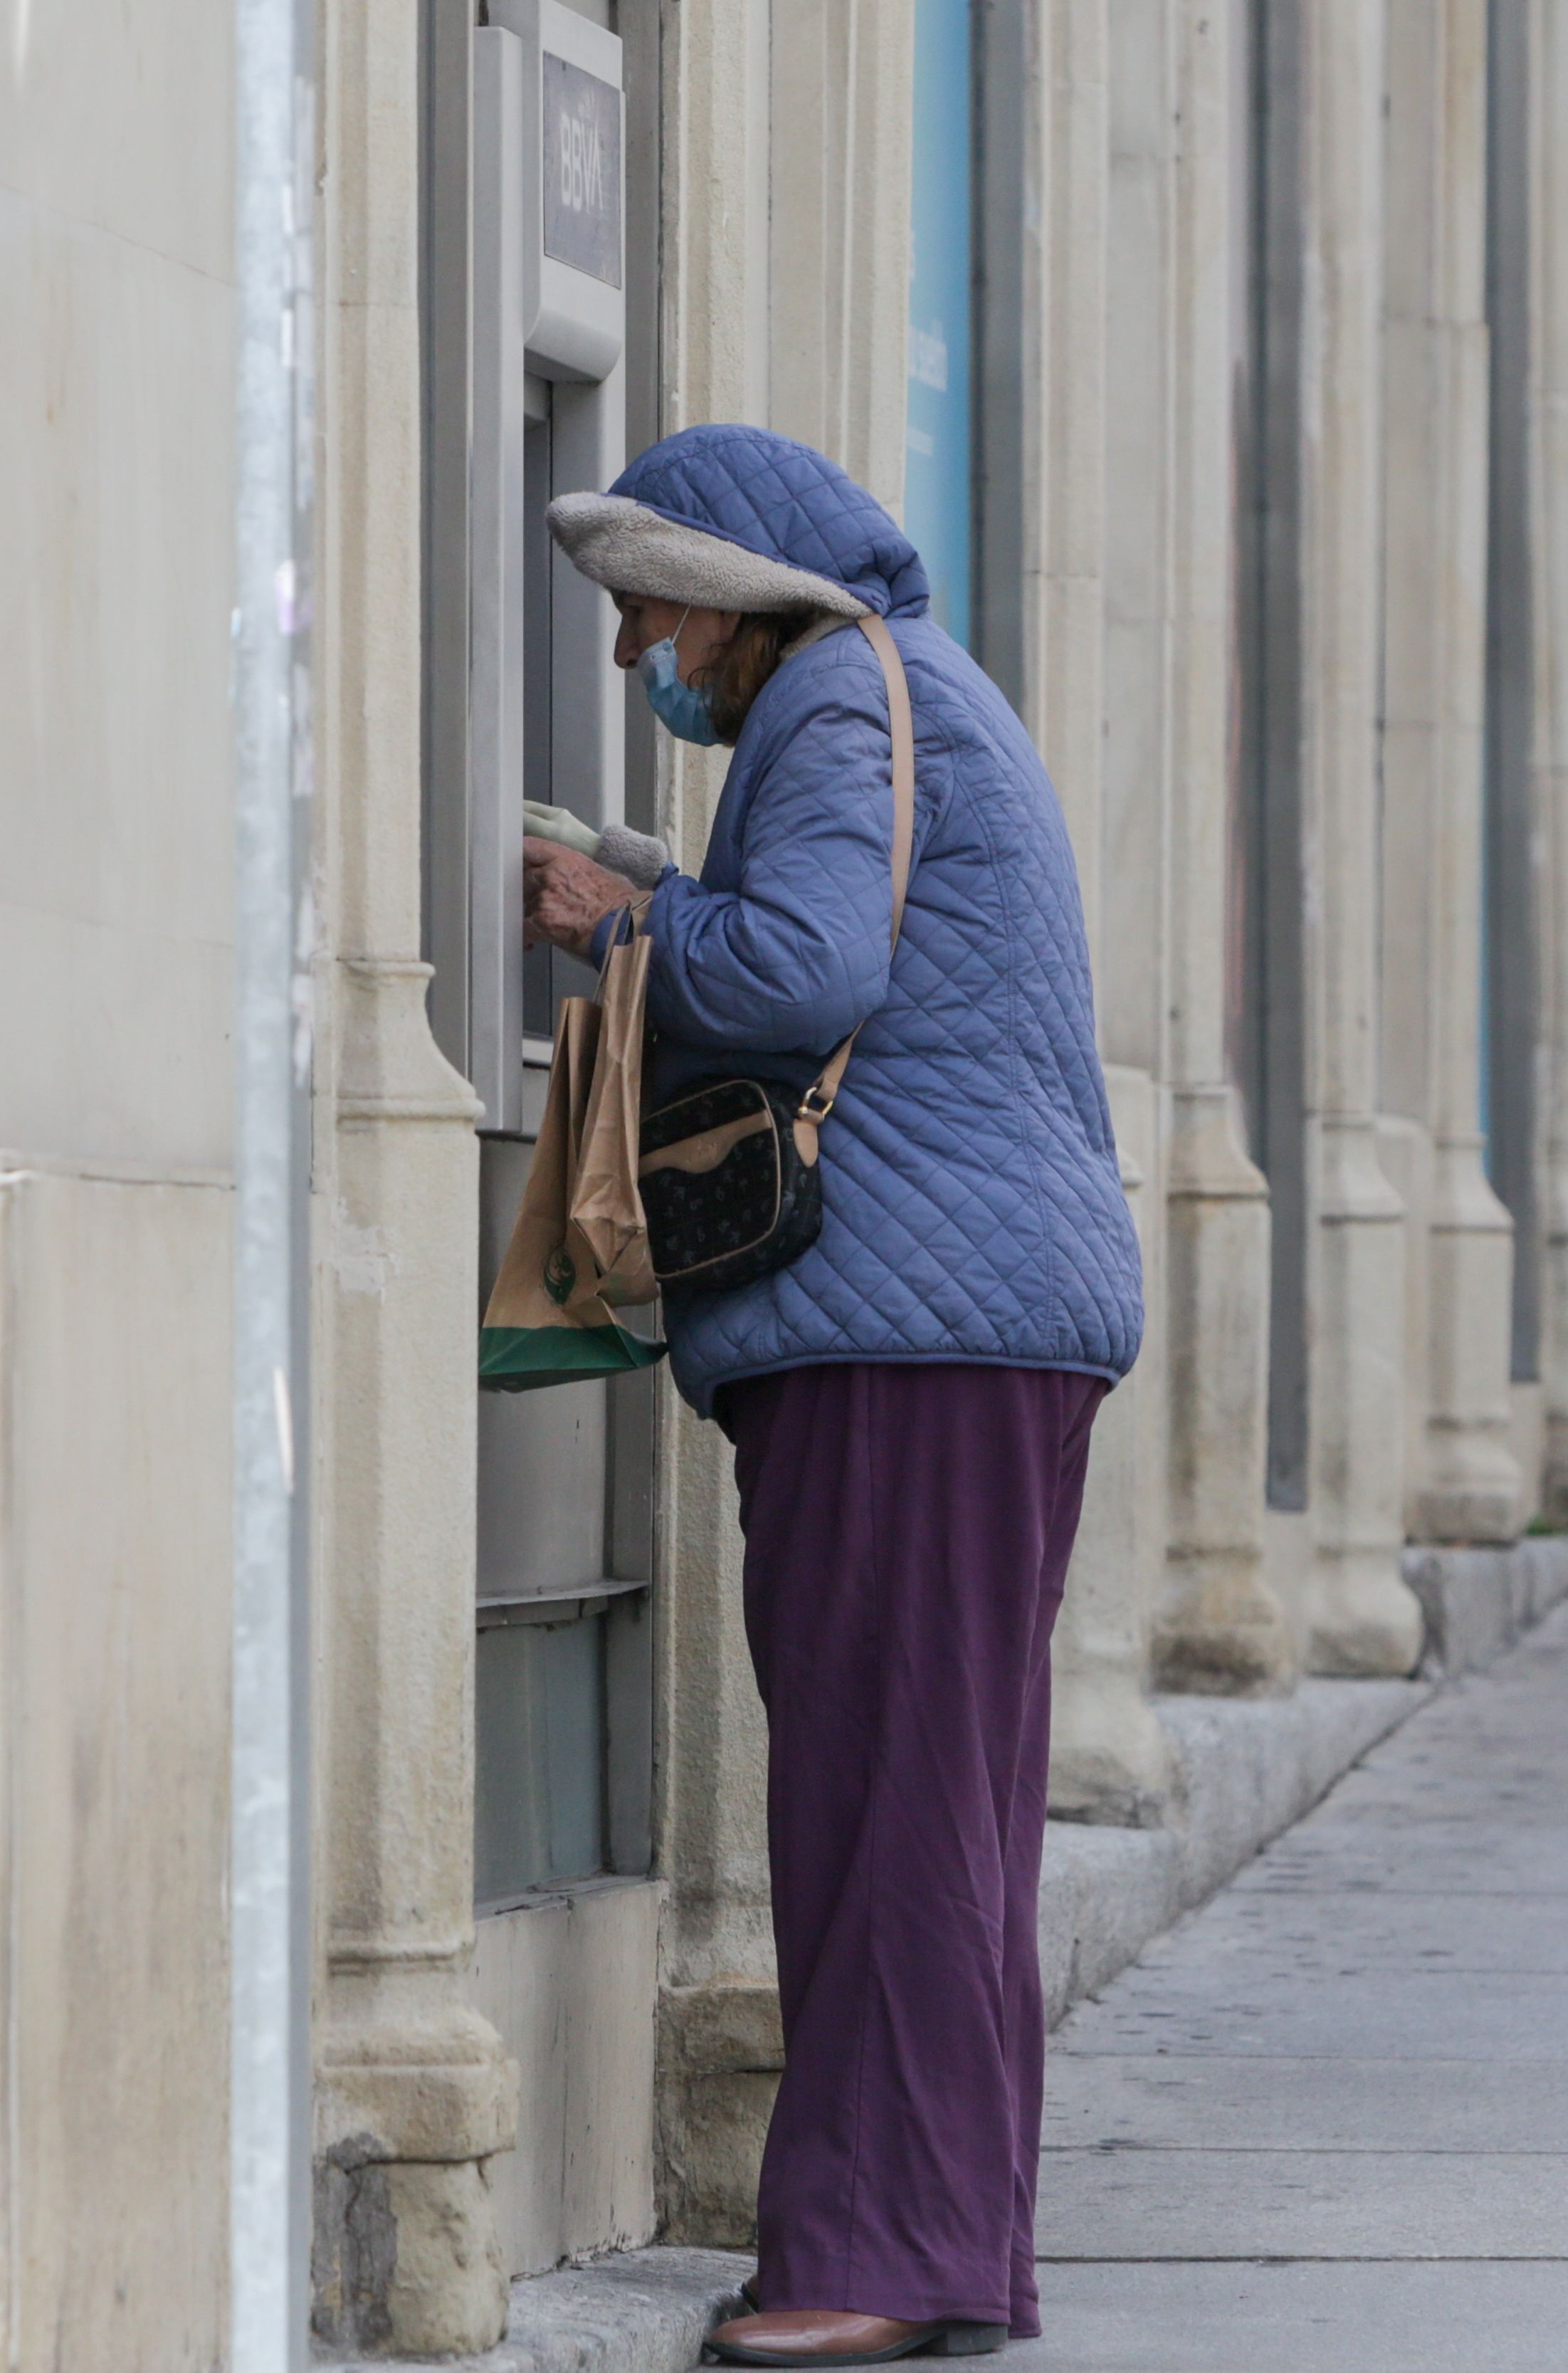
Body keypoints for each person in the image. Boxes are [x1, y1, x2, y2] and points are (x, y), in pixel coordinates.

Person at [521, 426, 1144, 2367]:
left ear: (726, 590)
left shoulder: (832, 697)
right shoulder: (902, 697)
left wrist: (605, 919)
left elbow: (798, 972)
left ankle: (876, 2254)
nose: (633, 644)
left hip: (907, 1327)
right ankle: (937, 2238)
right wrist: (653, 877)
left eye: (642, 601)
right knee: (933, 1804)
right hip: (966, 1322)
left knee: (884, 1799)